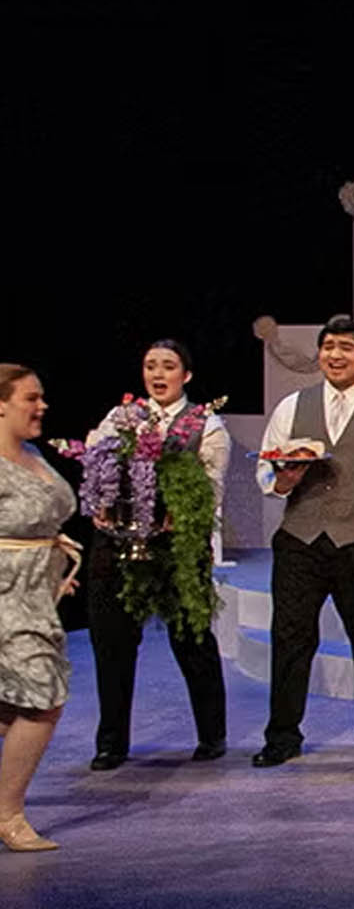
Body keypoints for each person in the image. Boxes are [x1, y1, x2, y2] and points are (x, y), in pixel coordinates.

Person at [253, 316, 354, 767]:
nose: (335, 355)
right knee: (290, 639)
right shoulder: (292, 406)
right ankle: (282, 737)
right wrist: (283, 480)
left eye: (346, 347)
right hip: (299, 539)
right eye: (328, 347)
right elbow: (265, 472)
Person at [83, 339, 229, 771]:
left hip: (176, 550)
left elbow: (211, 490)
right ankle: (111, 742)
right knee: (113, 646)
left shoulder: (205, 424)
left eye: (168, 366)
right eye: (150, 366)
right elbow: (95, 459)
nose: (158, 374)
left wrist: (179, 513)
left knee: (192, 641)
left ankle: (212, 734)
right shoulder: (121, 417)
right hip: (118, 545)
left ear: (186, 375)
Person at [0, 365, 80, 851]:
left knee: (12, 705)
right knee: (42, 697)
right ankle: (8, 814)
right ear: (1, 403)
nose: (42, 406)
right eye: (32, 398)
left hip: (36, 595)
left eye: (43, 396)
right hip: (5, 597)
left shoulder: (31, 455)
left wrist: (51, 575)